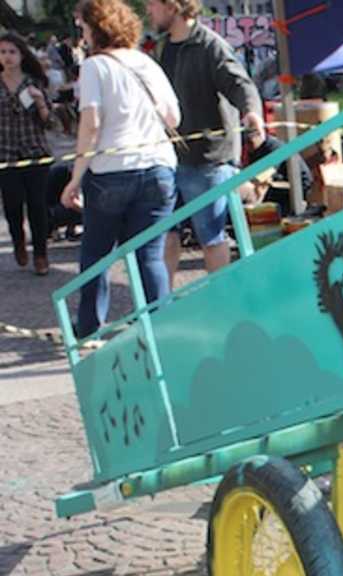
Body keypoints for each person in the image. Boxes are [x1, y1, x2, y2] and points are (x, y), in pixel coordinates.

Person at [62, 0, 180, 339]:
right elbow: (174, 118)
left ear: (96, 28)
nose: (80, 33)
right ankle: (159, 328)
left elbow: (92, 124)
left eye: (82, 26)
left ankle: (88, 328)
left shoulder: (94, 66)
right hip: (158, 167)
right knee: (150, 256)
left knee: (96, 255)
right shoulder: (146, 62)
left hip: (111, 170)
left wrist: (76, 177)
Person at [145, 0, 264, 280]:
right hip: (169, 157)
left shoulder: (210, 45)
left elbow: (240, 83)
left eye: (152, 4)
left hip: (208, 158)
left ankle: (221, 304)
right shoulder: (162, 47)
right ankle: (163, 306)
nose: (148, 9)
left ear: (172, 7)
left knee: (210, 236)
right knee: (166, 234)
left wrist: (252, 113)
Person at [0, 32, 53, 275]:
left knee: (37, 205)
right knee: (12, 205)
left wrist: (40, 100)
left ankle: (41, 254)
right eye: (3, 52)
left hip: (34, 152)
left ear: (21, 55)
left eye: (12, 52)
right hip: (5, 154)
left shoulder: (33, 82)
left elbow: (48, 122)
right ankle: (19, 241)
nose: (7, 57)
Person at [242, 132, 313, 210]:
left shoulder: (273, 147)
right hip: (282, 181)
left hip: (299, 185)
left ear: (259, 135)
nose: (248, 147)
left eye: (250, 142)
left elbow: (265, 174)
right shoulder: (256, 150)